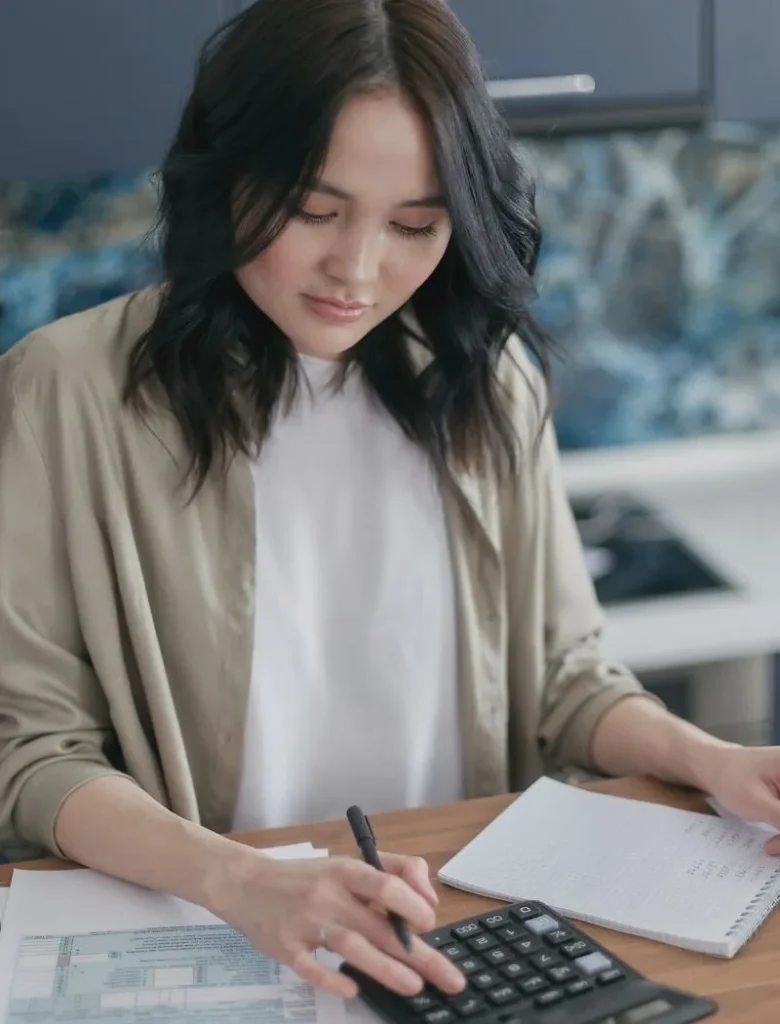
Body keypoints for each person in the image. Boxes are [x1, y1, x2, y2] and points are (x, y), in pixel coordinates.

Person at [2, 0, 780, 1003]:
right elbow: (29, 752)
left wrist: (715, 760)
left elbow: (561, 677)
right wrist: (243, 879)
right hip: (217, 934)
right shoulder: (64, 392)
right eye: (315, 212)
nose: (358, 271)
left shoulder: (490, 383)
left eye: (415, 224)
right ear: (225, 175)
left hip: (450, 930)